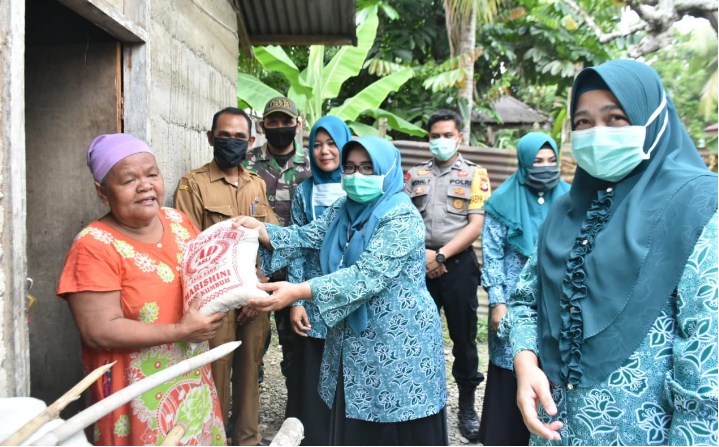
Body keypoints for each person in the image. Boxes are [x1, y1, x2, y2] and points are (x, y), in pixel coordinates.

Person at [508, 59, 718, 446]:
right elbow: (524, 300)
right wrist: (525, 364)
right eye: (583, 123)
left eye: (616, 117)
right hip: (554, 431)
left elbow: (708, 366)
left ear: (652, 121)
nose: (596, 134)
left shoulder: (698, 206)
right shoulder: (566, 211)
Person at [237, 136, 448, 446]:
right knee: (353, 419)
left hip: (399, 344)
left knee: (395, 419)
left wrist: (297, 292)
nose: (356, 176)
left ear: (387, 171)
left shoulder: (401, 216)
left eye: (367, 168)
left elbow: (366, 277)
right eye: (350, 167)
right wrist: (261, 230)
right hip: (352, 340)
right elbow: (308, 236)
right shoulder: (343, 207)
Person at [56, 133, 227, 446]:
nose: (146, 185)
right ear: (102, 192)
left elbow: (206, 275)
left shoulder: (178, 221)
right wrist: (180, 330)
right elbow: (99, 330)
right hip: (134, 396)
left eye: (152, 174)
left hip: (192, 384)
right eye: (129, 180)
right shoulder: (94, 246)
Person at [173, 107, 279, 446]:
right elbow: (189, 248)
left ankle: (248, 438)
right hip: (215, 300)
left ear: (250, 141)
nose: (231, 142)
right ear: (210, 138)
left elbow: (270, 238)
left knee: (250, 371)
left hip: (253, 296)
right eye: (224, 136)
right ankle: (213, 438)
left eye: (238, 137)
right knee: (215, 372)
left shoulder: (256, 185)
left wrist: (257, 287)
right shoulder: (194, 184)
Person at [403, 109, 491, 441]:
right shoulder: (414, 175)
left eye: (447, 135)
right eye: (434, 136)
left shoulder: (475, 174)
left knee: (464, 339)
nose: (440, 141)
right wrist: (424, 256)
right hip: (418, 261)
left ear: (460, 137)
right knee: (413, 335)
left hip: (457, 266)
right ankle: (416, 403)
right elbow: (406, 221)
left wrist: (440, 255)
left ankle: (467, 406)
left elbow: (476, 225)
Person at [477, 132, 570, 445]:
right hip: (514, 306)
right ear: (523, 163)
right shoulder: (502, 202)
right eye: (537, 162)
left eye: (550, 161)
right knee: (510, 368)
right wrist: (498, 302)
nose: (544, 167)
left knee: (553, 375)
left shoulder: (572, 198)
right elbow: (492, 257)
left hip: (559, 304)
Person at [284, 116, 352, 445]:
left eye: (332, 143)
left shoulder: (360, 188)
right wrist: (296, 301)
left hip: (352, 296)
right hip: (311, 296)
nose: (325, 151)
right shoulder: (304, 191)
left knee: (349, 372)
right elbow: (296, 246)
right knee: (312, 371)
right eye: (317, 144)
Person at [242, 96, 311, 415]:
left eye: (286, 122)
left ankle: (295, 415)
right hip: (253, 271)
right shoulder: (246, 164)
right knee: (248, 349)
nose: (280, 128)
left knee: (296, 348)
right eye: (273, 122)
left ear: (298, 125)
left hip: (296, 274)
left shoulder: (312, 168)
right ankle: (244, 417)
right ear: (262, 126)